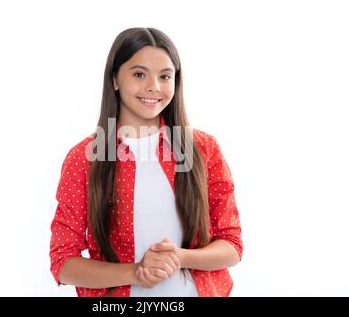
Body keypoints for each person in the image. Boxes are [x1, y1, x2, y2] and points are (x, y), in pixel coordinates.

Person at [49, 27, 243, 297]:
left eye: (165, 76)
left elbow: (232, 246)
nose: (154, 86)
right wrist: (136, 271)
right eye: (139, 74)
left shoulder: (203, 148)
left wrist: (180, 257)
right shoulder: (85, 157)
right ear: (115, 79)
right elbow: (63, 263)